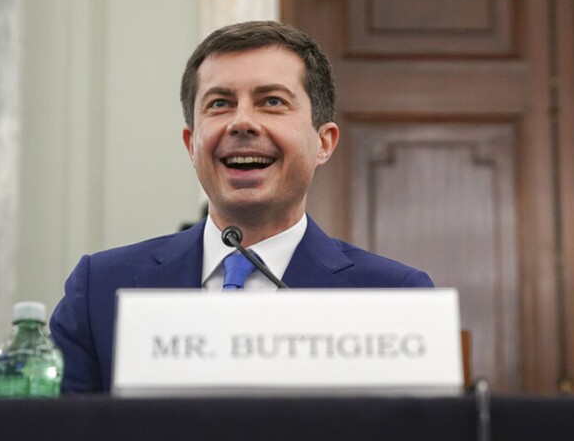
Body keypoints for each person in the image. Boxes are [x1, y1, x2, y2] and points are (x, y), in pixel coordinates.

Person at [49, 21, 433, 393]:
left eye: (272, 101)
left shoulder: (393, 297)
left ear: (324, 143)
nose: (242, 122)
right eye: (220, 104)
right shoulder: (99, 288)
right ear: (191, 144)